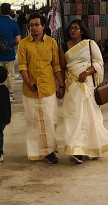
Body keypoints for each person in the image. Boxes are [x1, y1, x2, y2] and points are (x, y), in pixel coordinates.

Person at [63, 20, 108, 163]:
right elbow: (63, 67)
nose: (73, 30)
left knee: (89, 117)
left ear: (81, 30)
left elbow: (98, 63)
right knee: (74, 117)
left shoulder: (89, 44)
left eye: (76, 28)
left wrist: (86, 72)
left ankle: (91, 148)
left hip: (86, 84)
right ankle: (76, 150)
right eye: (71, 28)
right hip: (72, 85)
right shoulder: (64, 46)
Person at [17, 13, 65, 164]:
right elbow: (23, 66)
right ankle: (37, 151)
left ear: (43, 26)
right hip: (30, 91)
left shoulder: (51, 43)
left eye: (37, 25)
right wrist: (29, 82)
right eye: (31, 25)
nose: (34, 28)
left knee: (50, 120)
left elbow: (56, 66)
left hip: (48, 89)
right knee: (33, 121)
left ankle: (49, 150)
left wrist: (61, 85)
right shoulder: (23, 44)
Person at [0, 2, 22, 99]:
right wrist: (10, 45)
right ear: (10, 11)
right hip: (9, 54)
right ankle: (11, 96)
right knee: (10, 75)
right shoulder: (14, 24)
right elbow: (18, 40)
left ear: (0, 11)